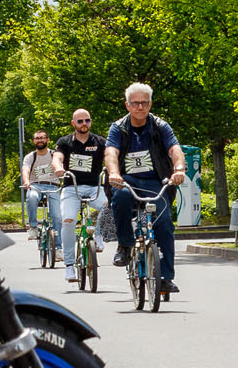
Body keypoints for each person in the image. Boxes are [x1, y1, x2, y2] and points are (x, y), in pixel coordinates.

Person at [104, 83, 188, 297]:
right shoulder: (118, 127)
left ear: (150, 104)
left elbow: (175, 150)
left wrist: (179, 169)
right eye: (135, 103)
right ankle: (124, 245)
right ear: (127, 105)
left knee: (165, 224)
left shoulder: (160, 126)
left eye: (144, 103)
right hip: (126, 180)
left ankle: (166, 278)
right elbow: (111, 153)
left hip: (155, 182)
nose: (139, 107)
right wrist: (114, 173)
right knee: (121, 197)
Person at [52, 108, 109, 284]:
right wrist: (58, 168)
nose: (84, 124)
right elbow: (57, 158)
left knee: (108, 207)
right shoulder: (64, 142)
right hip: (72, 188)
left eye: (87, 120)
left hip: (94, 187)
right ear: (73, 123)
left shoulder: (100, 141)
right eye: (80, 121)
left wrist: (112, 169)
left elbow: (109, 157)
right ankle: (69, 265)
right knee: (68, 220)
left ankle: (98, 235)